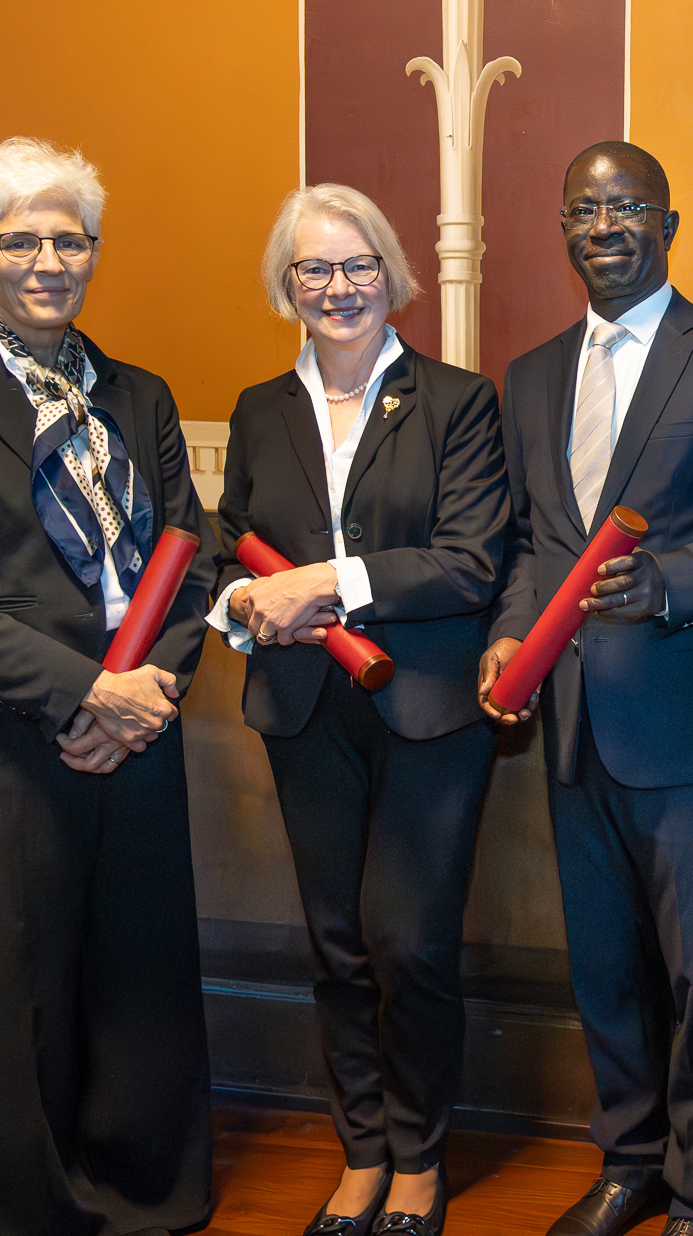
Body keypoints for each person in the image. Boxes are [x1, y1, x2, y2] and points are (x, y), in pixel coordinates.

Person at [0, 136, 216, 1235]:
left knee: (142, 964)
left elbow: (190, 557)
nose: (47, 259)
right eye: (20, 238)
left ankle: (146, 1191)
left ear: (93, 255)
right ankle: (36, 1210)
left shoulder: (139, 392)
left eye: (70, 239)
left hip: (140, 722)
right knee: (22, 976)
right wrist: (86, 693)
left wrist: (146, 693)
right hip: (6, 733)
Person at [476, 141, 693, 1236]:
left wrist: (664, 584)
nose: (601, 227)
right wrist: (510, 638)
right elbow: (527, 546)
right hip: (567, 725)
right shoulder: (527, 377)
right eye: (581, 211)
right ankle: (631, 1163)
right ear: (562, 228)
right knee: (606, 970)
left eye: (624, 208)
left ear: (666, 222)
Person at [210, 184, 509, 1236]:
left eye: (357, 265)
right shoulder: (259, 410)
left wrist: (325, 585)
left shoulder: (459, 401)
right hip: (302, 710)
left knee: (410, 943)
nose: (338, 288)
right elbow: (228, 544)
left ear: (392, 274)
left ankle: (421, 1158)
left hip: (424, 713)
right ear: (285, 287)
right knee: (335, 943)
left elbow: (470, 563)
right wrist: (248, 605)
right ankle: (364, 1150)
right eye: (314, 270)